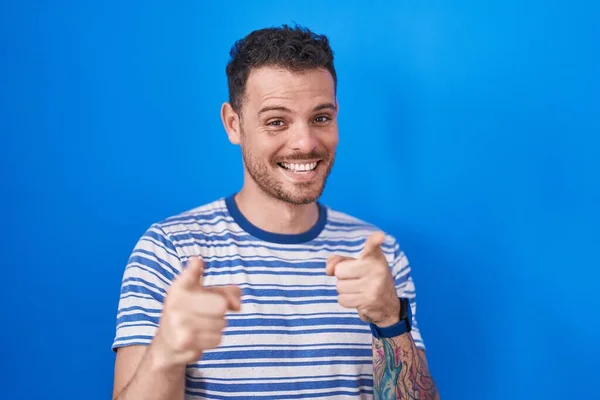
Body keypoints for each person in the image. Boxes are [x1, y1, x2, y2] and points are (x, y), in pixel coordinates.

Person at [111, 24, 439, 400]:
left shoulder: (378, 256)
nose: (305, 142)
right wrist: (166, 354)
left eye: (320, 118)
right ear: (233, 124)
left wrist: (389, 320)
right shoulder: (168, 251)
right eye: (276, 121)